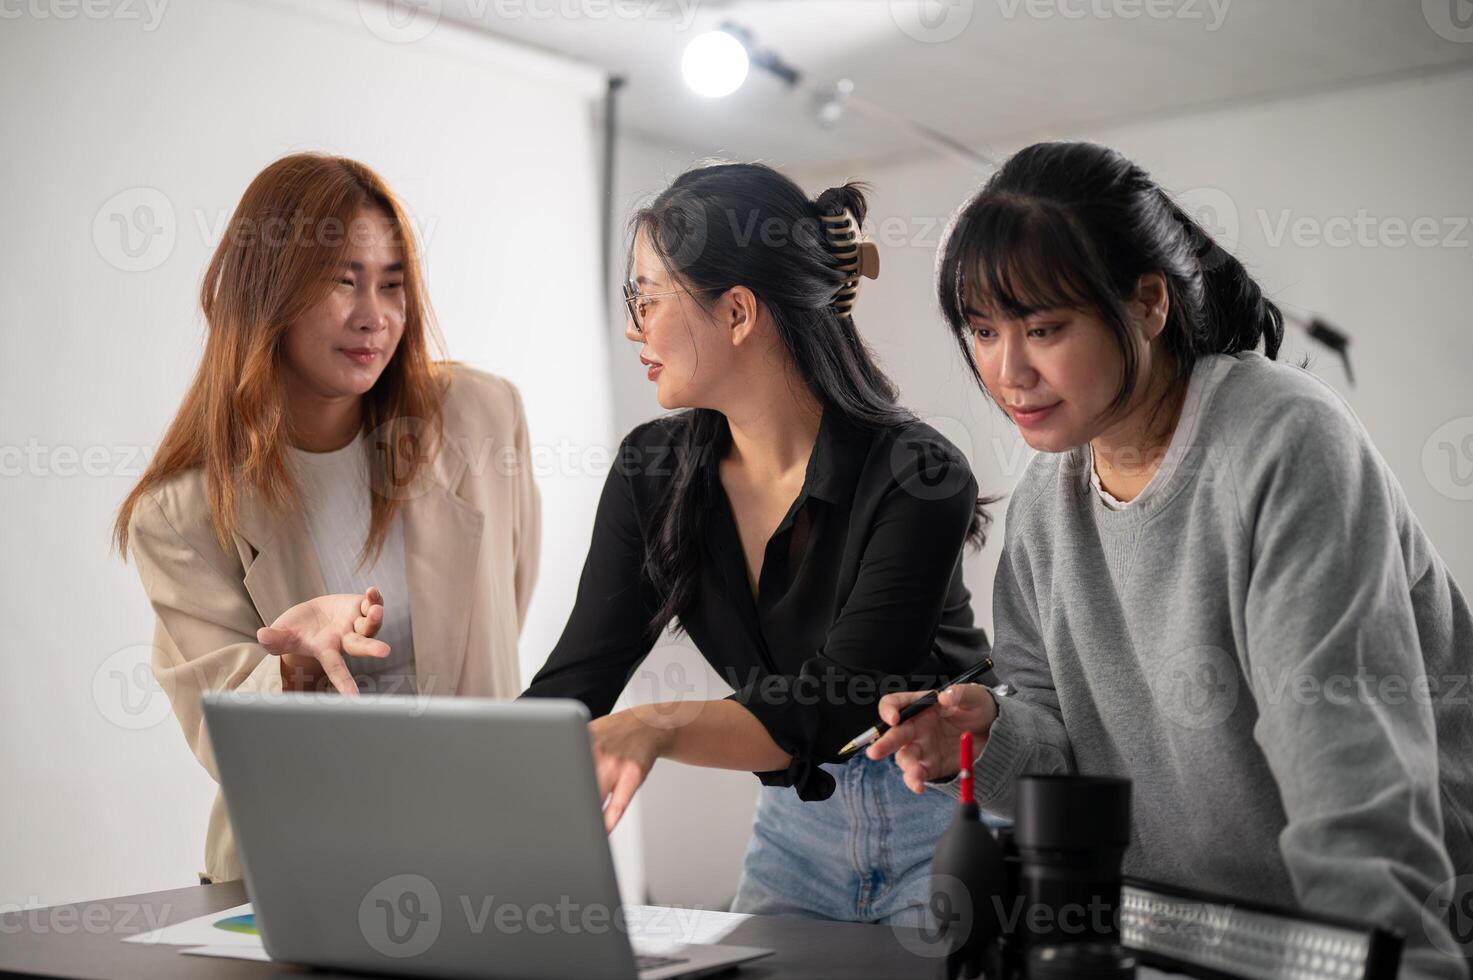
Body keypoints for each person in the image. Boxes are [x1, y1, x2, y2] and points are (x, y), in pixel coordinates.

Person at [867, 141, 1473, 977]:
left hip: (1358, 940)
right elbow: (1062, 744)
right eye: (982, 331)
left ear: (1148, 302)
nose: (1008, 371)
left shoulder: (1281, 440)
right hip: (1181, 940)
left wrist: (1375, 963)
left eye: (1043, 328)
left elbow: (1350, 764)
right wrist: (988, 734)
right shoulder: (1047, 500)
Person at [520, 162, 994, 924]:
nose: (633, 327)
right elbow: (575, 685)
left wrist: (655, 725)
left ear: (737, 312)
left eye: (647, 298)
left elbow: (839, 702)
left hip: (940, 821)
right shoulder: (654, 470)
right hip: (795, 831)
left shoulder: (920, 471)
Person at [115, 153, 540, 884]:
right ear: (268, 292)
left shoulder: (482, 416)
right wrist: (292, 663)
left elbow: (508, 599)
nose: (373, 315)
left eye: (392, 285)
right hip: (298, 872)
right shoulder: (180, 514)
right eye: (342, 281)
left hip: (481, 852)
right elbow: (225, 737)